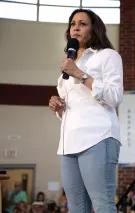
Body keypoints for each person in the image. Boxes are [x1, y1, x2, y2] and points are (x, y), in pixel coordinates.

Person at [48, 9, 123, 213]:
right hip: (68, 143)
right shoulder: (69, 64)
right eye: (73, 24)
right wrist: (59, 106)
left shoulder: (108, 56)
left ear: (94, 28)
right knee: (76, 207)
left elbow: (115, 96)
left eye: (82, 23)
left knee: (102, 204)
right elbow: (71, 106)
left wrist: (81, 75)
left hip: (98, 138)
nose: (76, 27)